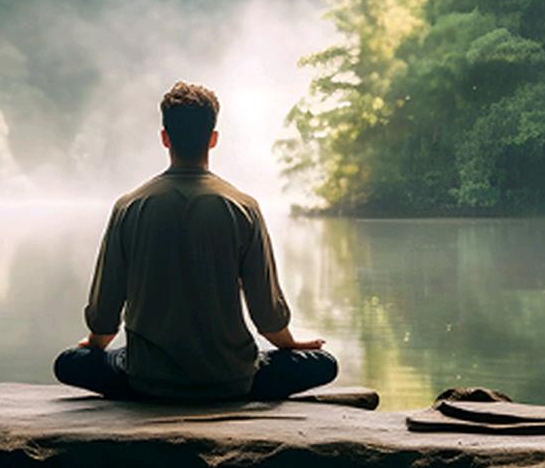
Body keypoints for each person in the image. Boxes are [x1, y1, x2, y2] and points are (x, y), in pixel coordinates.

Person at [53, 80, 338, 401]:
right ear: (213, 139)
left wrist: (94, 346)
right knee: (323, 364)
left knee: (68, 364)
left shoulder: (129, 206)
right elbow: (266, 315)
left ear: (165, 138)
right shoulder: (243, 207)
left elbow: (105, 317)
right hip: (231, 378)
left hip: (147, 379)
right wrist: (289, 345)